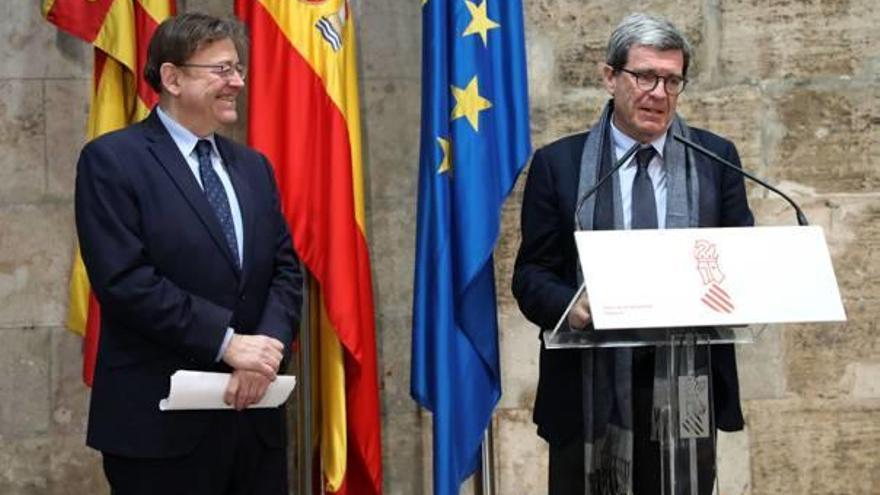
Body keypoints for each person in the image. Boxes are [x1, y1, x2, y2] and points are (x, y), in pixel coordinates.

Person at [512, 13, 754, 495]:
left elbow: (739, 262)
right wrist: (572, 307)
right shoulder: (559, 166)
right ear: (610, 77)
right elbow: (531, 274)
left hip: (684, 390)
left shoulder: (715, 159)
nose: (659, 93)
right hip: (587, 390)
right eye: (645, 76)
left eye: (672, 79)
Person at [74, 13, 303, 494]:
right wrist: (226, 343)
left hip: (253, 426)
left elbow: (285, 271)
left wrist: (262, 353)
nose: (236, 82)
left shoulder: (253, 167)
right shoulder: (112, 161)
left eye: (238, 69)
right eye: (221, 70)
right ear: (172, 78)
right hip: (160, 432)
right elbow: (125, 281)